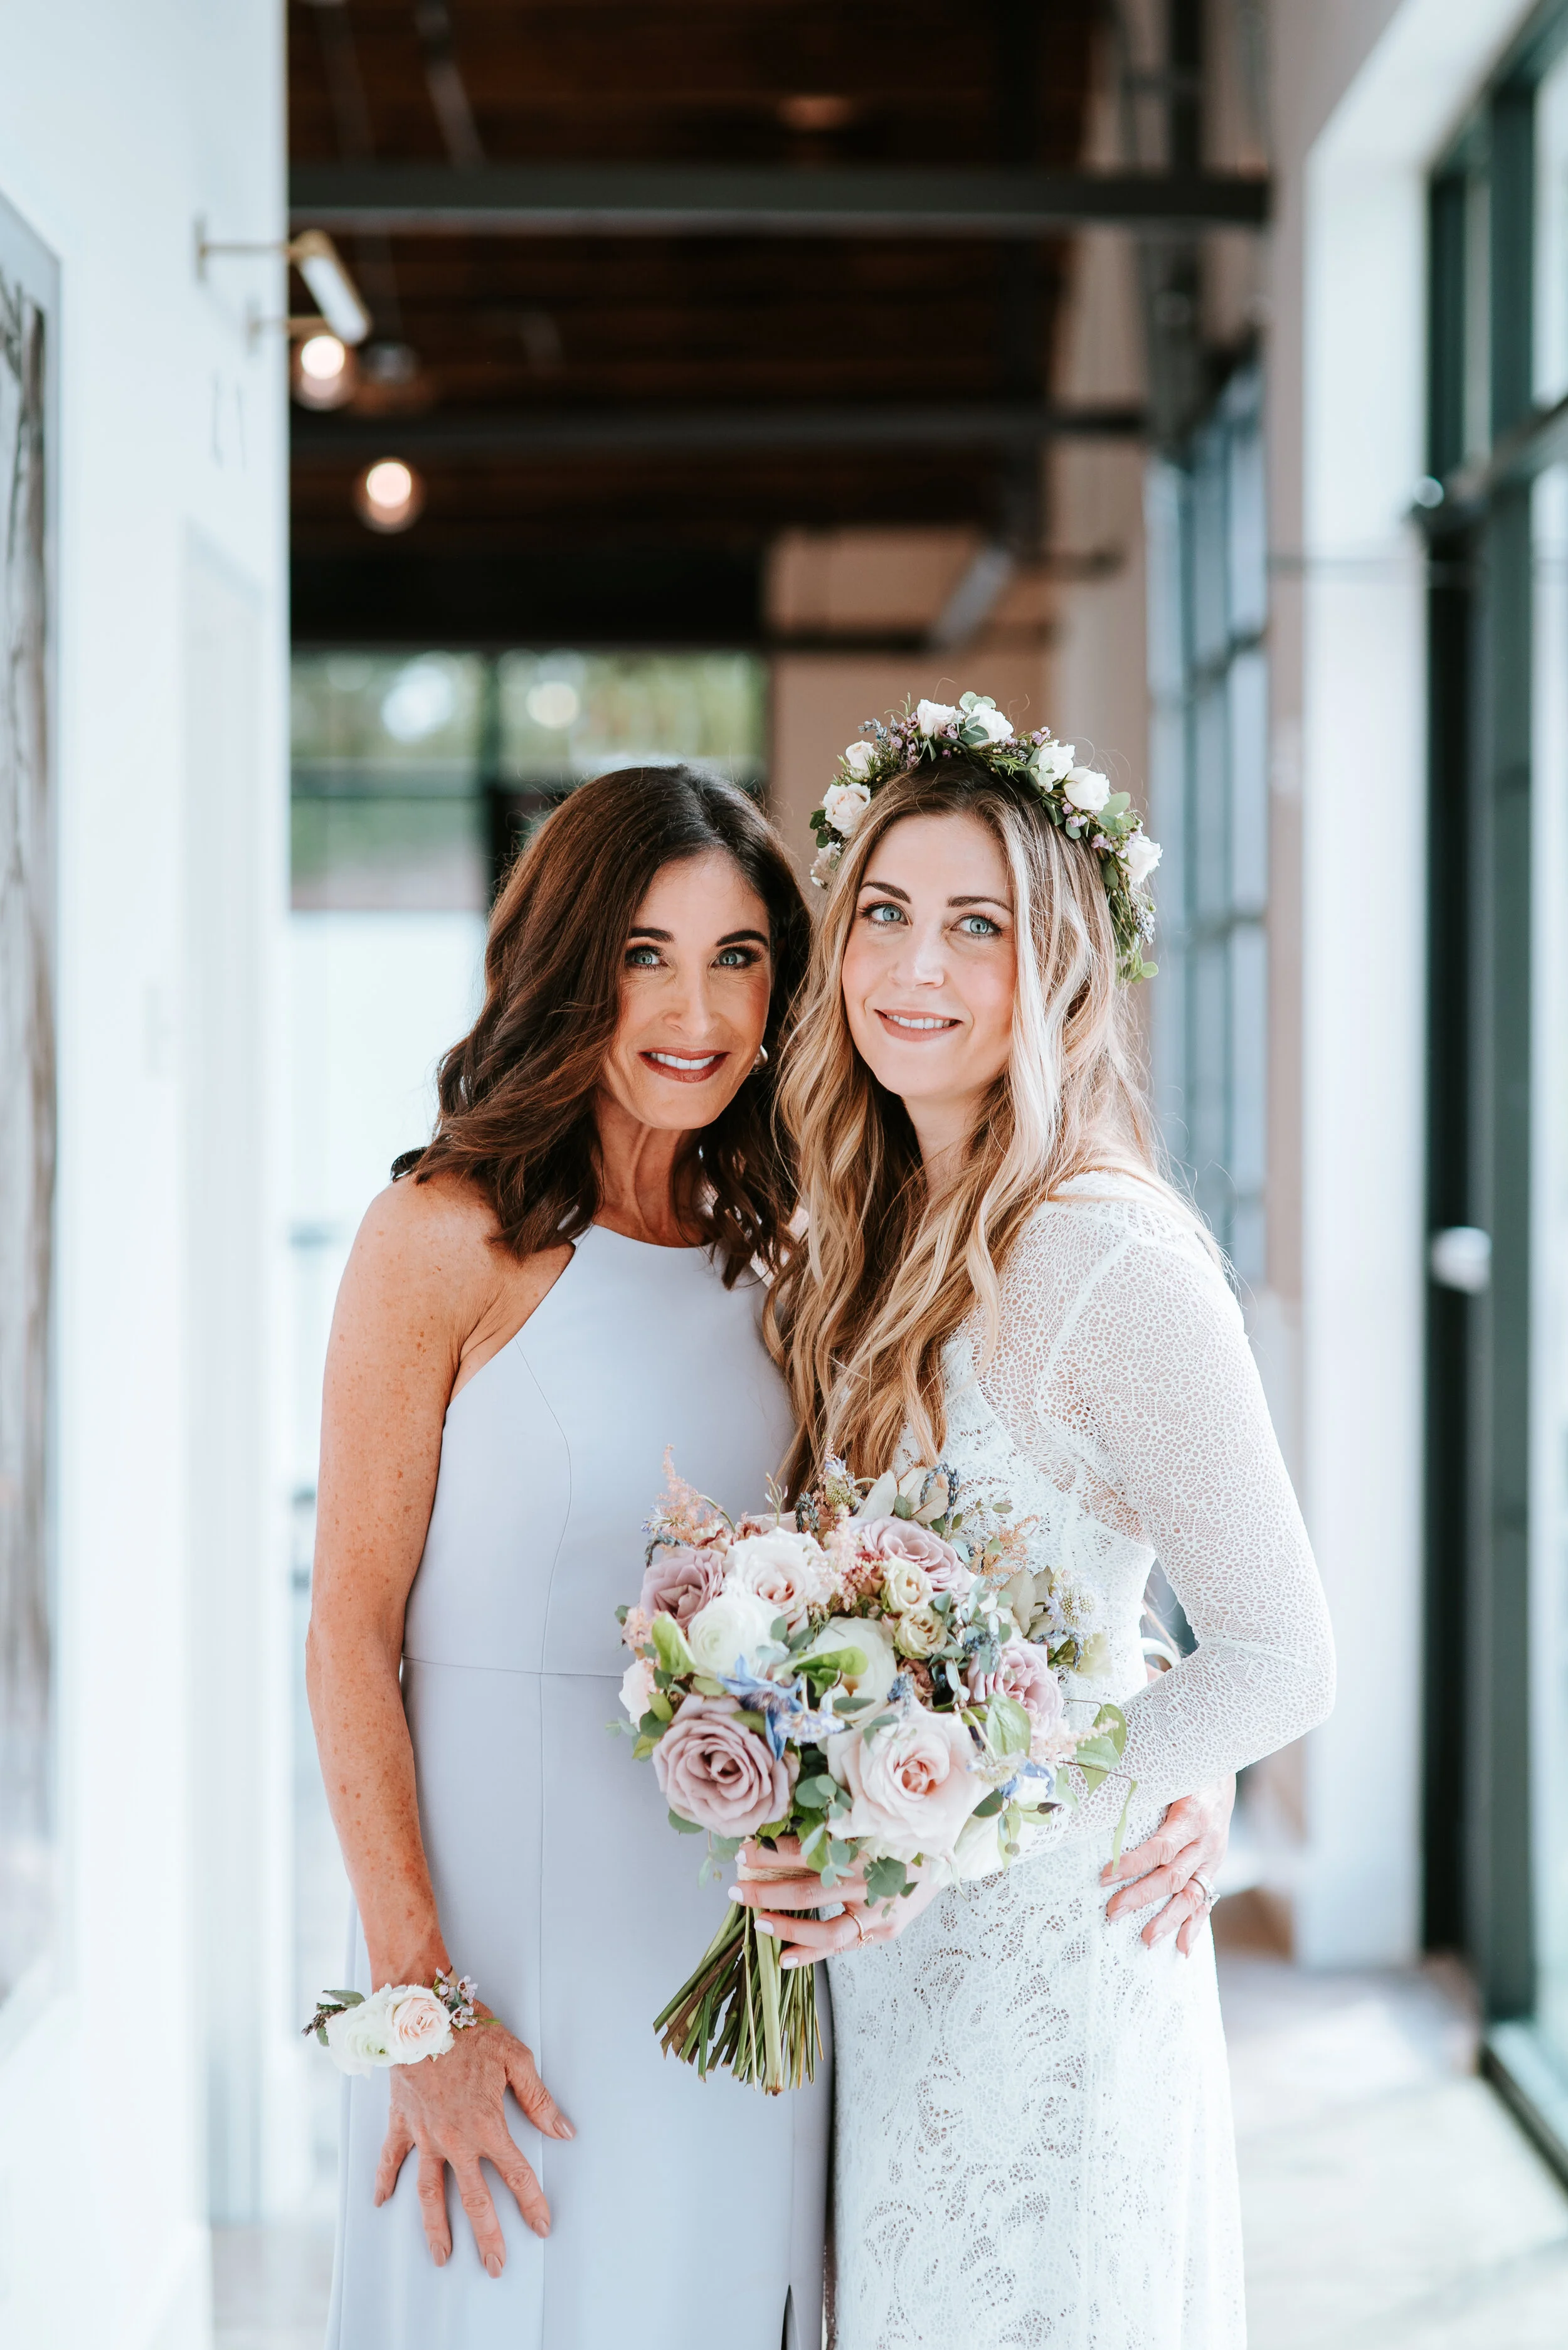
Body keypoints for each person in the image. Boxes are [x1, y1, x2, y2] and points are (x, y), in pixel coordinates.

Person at [745, 719, 1335, 2347]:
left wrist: (950, 1824)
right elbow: (1056, 1584)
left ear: (1059, 963)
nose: (913, 966)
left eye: (976, 924)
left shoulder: (1109, 1258)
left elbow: (1282, 1655)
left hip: (1058, 1977)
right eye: (883, 912)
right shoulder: (863, 1230)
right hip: (896, 1985)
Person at [306, 765, 829, 2350]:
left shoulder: (788, 1259)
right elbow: (346, 1632)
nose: (695, 1010)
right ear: (566, 964)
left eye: (737, 956)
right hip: (494, 1960)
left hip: (730, 1959)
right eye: (643, 954)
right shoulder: (440, 1236)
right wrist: (418, 2006)